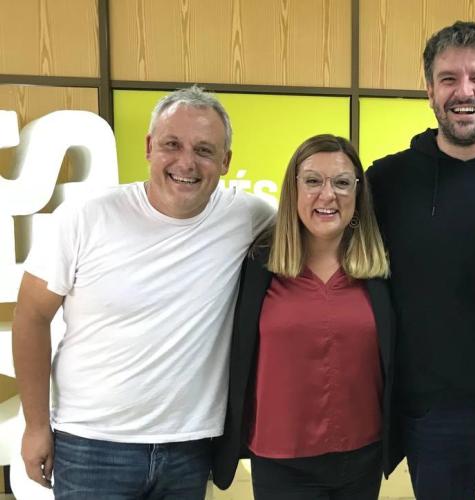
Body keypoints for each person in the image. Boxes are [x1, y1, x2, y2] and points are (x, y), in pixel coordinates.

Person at [12, 86, 275, 499]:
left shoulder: (249, 217)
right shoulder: (85, 218)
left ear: (225, 162)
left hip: (190, 447)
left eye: (204, 150)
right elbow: (31, 316)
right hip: (91, 445)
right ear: (150, 147)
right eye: (172, 144)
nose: (186, 162)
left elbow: (313, 236)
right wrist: (35, 425)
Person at [367, 20, 475, 500]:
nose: (465, 92)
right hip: (432, 413)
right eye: (448, 79)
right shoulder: (388, 181)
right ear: (429, 91)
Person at [212, 134, 397, 499]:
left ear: (358, 193)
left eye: (342, 183)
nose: (327, 195)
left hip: (362, 454)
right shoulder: (258, 264)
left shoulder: (379, 269)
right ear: (293, 189)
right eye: (313, 181)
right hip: (280, 459)